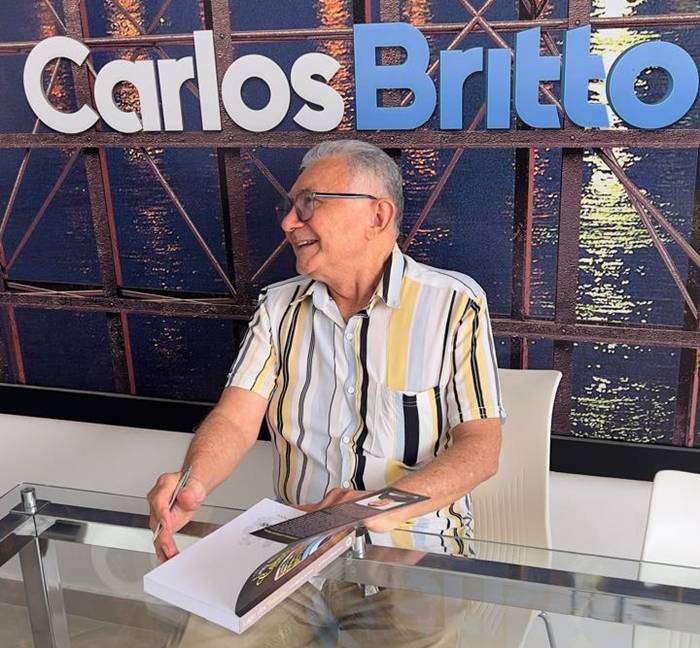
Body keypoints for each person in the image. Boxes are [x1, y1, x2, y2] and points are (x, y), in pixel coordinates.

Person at [148, 139, 505, 646]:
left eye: (308, 203)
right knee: (203, 638)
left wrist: (373, 508)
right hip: (294, 551)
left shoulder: (454, 304)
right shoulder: (278, 308)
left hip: (413, 553)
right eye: (289, 206)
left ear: (377, 215)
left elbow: (481, 450)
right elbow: (234, 418)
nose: (288, 222)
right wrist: (194, 482)